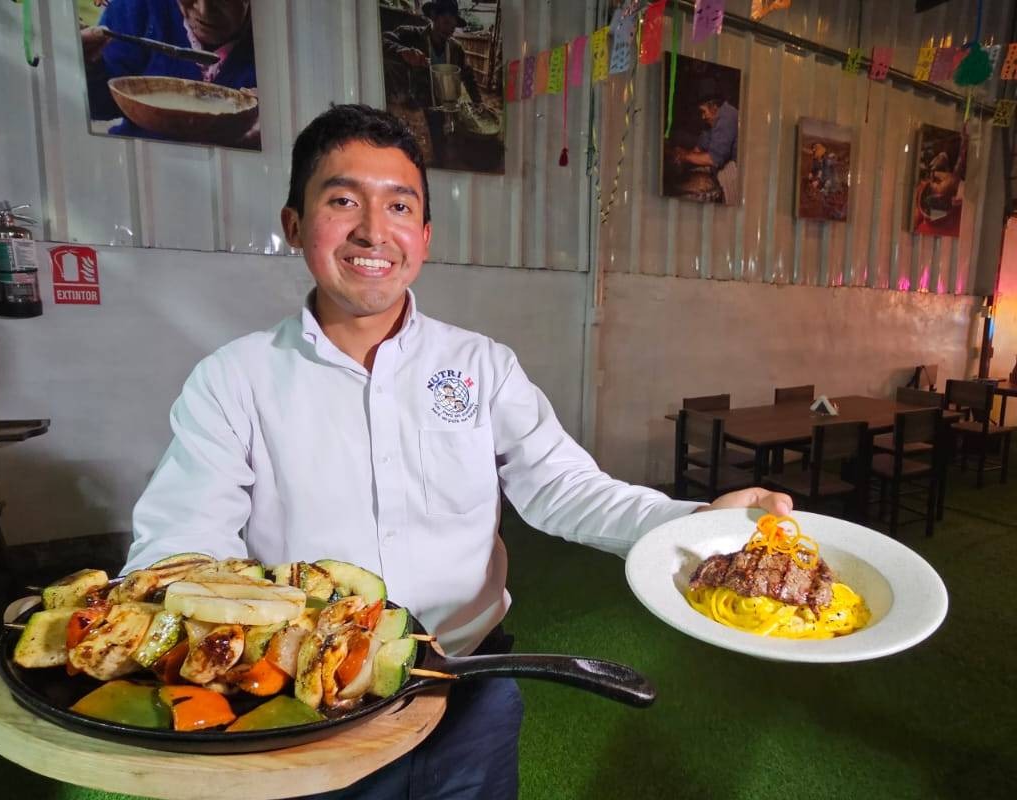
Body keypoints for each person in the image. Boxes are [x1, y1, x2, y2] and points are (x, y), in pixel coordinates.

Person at [125, 104, 791, 799]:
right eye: (343, 199)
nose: (373, 230)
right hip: (308, 699)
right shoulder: (237, 378)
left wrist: (697, 523)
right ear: (295, 225)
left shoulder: (480, 366)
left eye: (399, 206)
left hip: (468, 686)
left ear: (425, 235)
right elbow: (183, 533)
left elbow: (564, 486)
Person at [81, 0, 256, 142]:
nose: (204, 10)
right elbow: (101, 105)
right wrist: (87, 66)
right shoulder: (138, 7)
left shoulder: (277, 32)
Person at [382, 0, 483, 164]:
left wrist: (478, 101)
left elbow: (468, 76)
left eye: (452, 26)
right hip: (420, 104)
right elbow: (383, 41)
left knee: (445, 145)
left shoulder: (456, 48)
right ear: (434, 17)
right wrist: (402, 51)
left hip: (447, 105)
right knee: (418, 149)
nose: (448, 29)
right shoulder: (413, 36)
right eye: (445, 22)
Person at [671, 78, 739, 205]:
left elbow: (713, 159)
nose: (702, 116)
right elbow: (698, 150)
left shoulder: (727, 117)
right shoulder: (711, 121)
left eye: (703, 111)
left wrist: (684, 156)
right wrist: (681, 157)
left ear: (713, 107)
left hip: (736, 171)